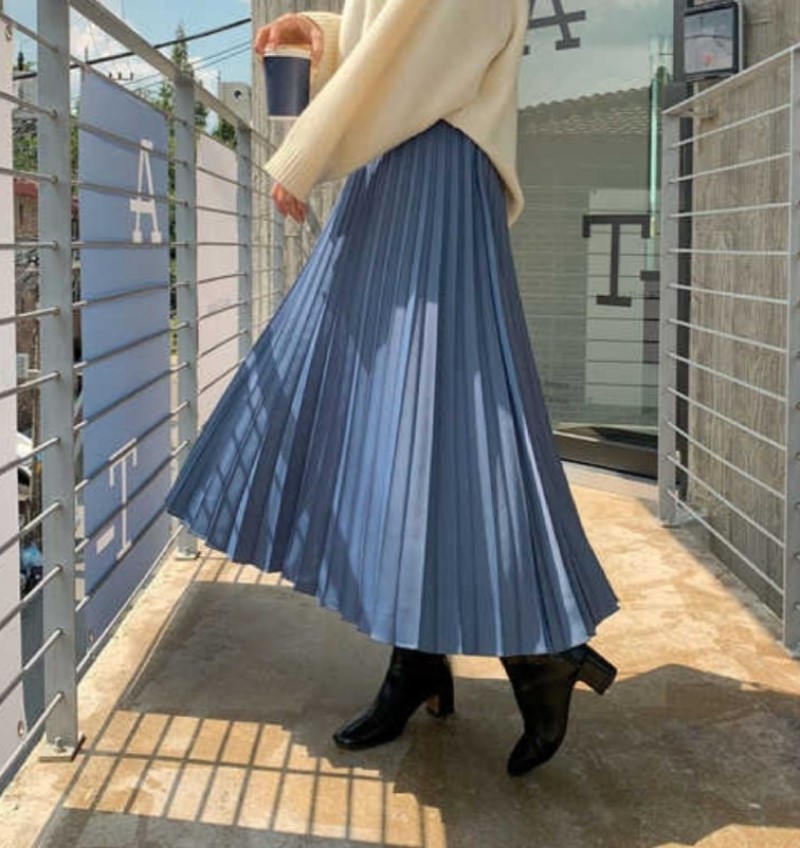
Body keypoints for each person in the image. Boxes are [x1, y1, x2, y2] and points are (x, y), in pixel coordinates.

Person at [166, 0, 619, 777]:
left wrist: (308, 146)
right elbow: (400, 30)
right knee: (395, 413)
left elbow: (427, 36)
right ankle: (421, 655)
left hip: (433, 157)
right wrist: (328, 32)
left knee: (449, 411)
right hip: (407, 157)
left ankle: (536, 646)